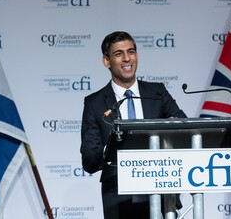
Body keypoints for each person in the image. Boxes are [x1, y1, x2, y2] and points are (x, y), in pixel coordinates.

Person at [80, 31, 186, 219]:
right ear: (107, 61)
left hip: (160, 189)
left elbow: (183, 125)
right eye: (119, 54)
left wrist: (173, 125)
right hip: (118, 196)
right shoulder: (94, 103)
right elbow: (89, 160)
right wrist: (109, 148)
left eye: (131, 52)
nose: (127, 58)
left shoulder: (158, 92)